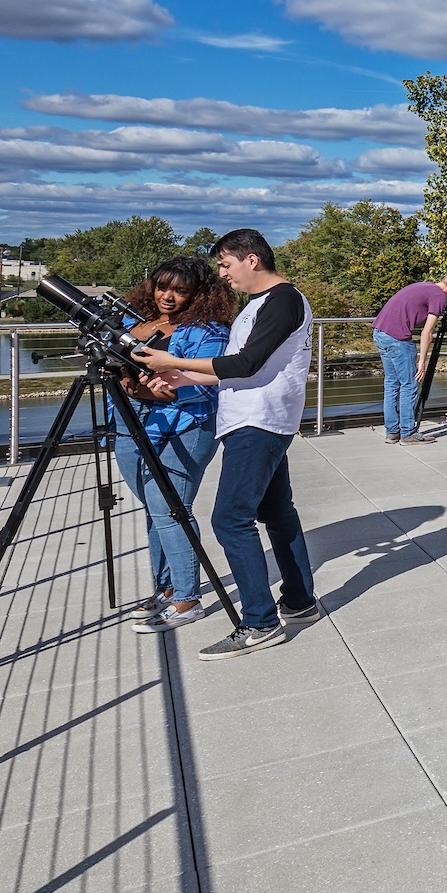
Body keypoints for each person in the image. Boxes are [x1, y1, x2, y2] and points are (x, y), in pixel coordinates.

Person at [133, 229, 318, 661]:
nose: (222, 274)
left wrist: (171, 360)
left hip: (260, 421)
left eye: (225, 264)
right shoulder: (260, 305)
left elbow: (246, 363)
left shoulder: (283, 300)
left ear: (250, 260)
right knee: (275, 512)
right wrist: (183, 377)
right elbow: (236, 370)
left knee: (230, 521)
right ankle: (298, 601)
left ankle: (259, 622)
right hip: (254, 418)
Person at [114, 254, 231, 633]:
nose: (168, 296)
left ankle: (187, 598)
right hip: (131, 419)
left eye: (180, 291)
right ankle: (165, 587)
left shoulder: (208, 331)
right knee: (153, 508)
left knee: (170, 508)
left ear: (198, 294)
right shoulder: (134, 321)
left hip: (186, 423)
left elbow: (206, 389)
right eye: (162, 286)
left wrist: (151, 387)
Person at [373, 269, 447, 446]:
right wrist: (422, 361)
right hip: (398, 339)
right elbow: (427, 332)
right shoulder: (439, 297)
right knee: (409, 385)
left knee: (391, 384)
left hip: (380, 333)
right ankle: (408, 433)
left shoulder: (423, 286)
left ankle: (392, 432)